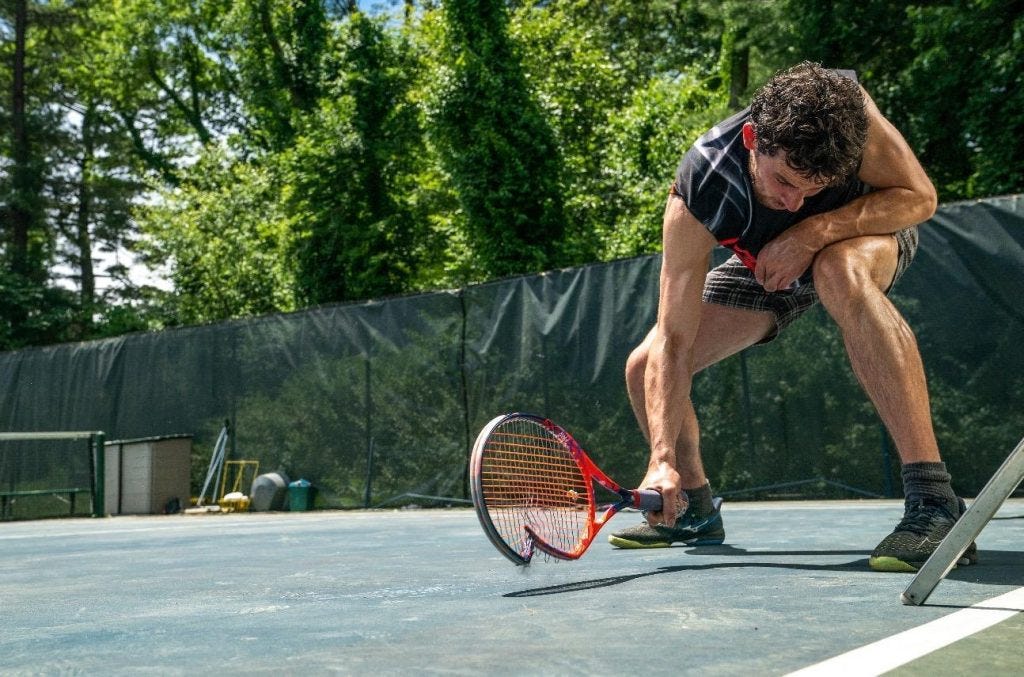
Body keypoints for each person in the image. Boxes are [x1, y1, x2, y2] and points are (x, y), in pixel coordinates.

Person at [607, 61, 975, 573]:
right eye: (783, 181)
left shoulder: (850, 113)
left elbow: (919, 198)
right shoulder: (703, 185)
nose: (793, 200)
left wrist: (811, 231)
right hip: (769, 265)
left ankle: (935, 503)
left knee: (837, 269)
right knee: (643, 366)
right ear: (754, 138)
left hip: (865, 239)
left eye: (814, 187)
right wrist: (660, 458)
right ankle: (690, 505)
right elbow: (674, 335)